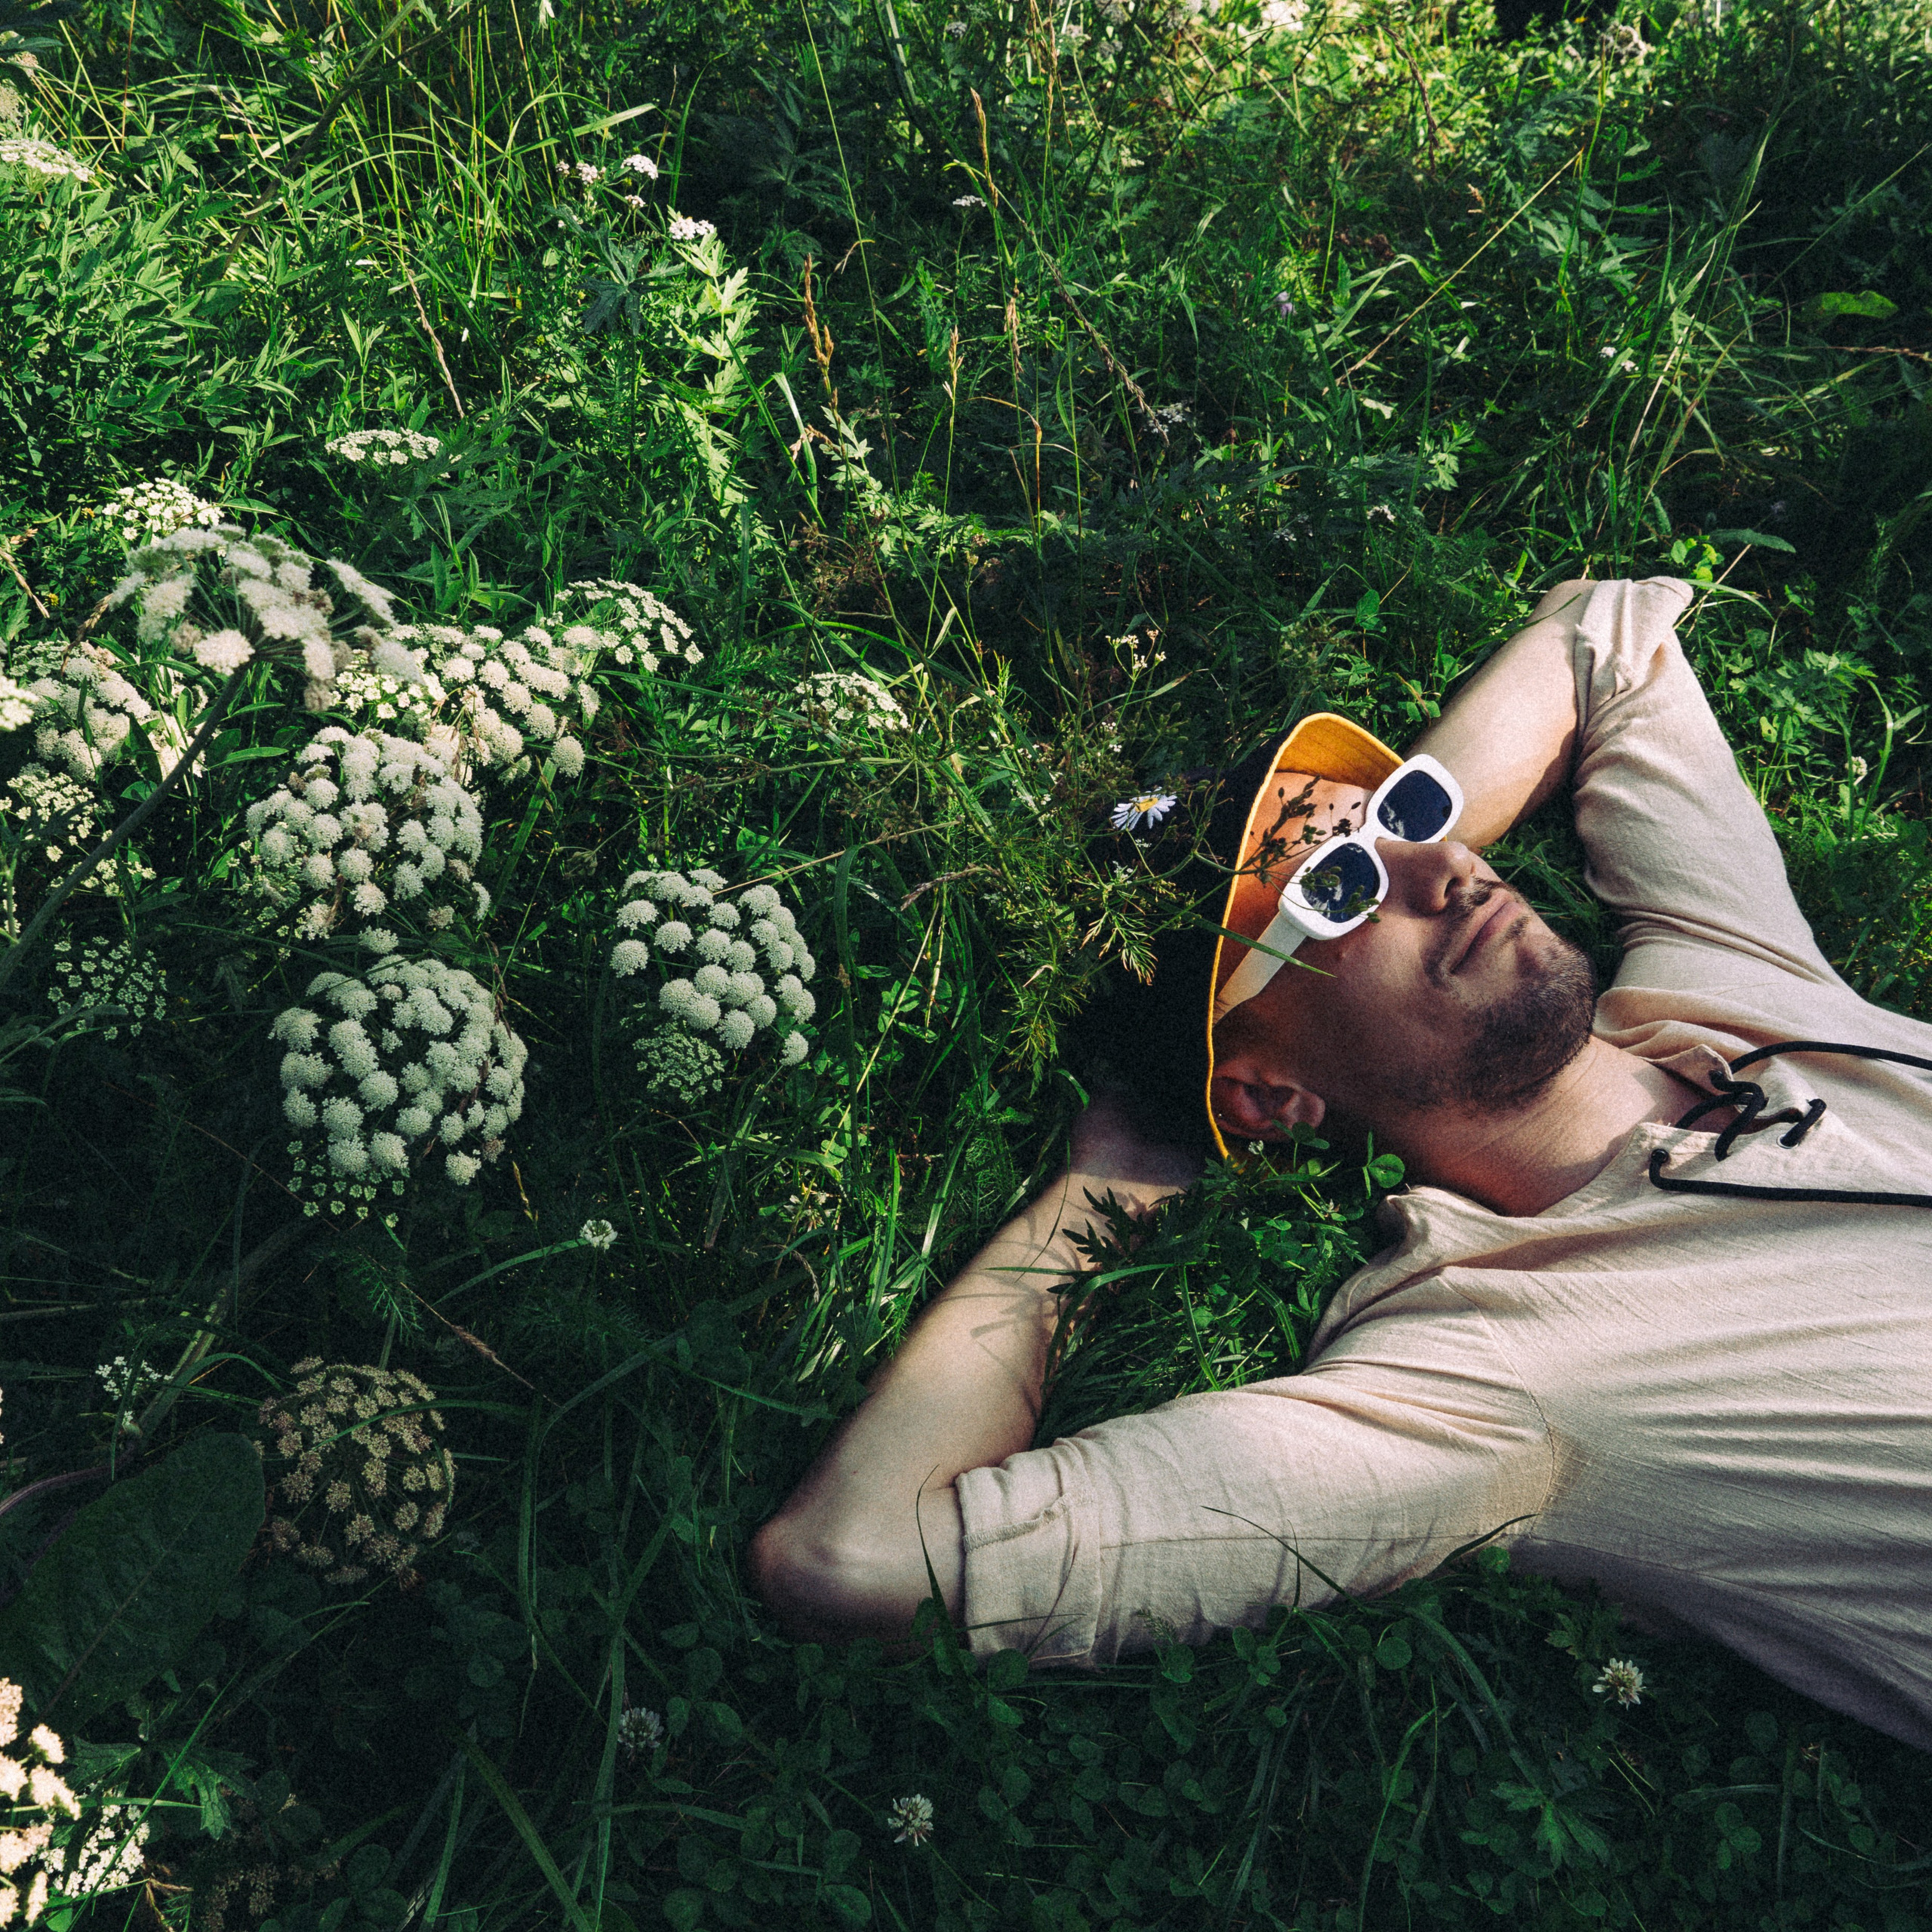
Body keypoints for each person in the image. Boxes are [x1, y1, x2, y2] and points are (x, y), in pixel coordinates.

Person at [750, 577, 1932, 1750]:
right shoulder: (1490, 1375)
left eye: (1412, 822)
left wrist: (1380, 830)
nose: (1449, 870)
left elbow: (1603, 633)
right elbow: (852, 1561)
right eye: (1339, 894)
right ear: (1270, 1092)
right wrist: (1098, 1197)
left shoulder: (1731, 983)